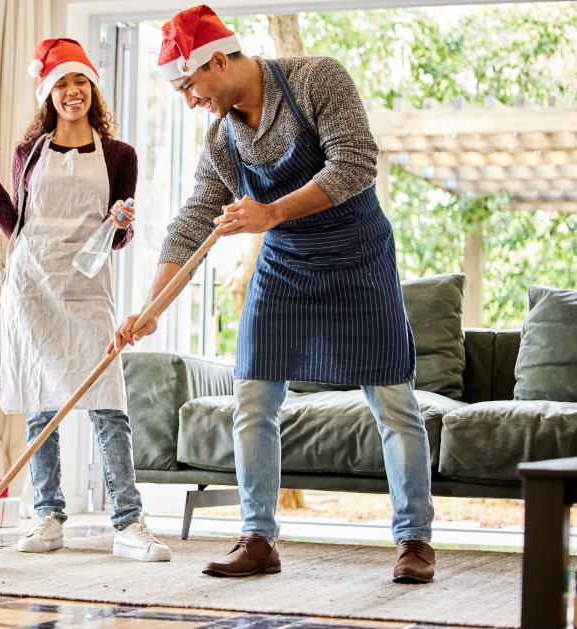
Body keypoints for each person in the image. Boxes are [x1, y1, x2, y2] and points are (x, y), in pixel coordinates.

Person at [111, 5, 435, 582]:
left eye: (191, 86)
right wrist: (151, 307)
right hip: (285, 266)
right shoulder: (221, 138)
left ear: (217, 61)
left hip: (357, 258)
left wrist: (271, 213)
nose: (190, 101)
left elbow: (356, 163)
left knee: (393, 402)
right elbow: (194, 220)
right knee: (254, 400)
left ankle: (414, 540)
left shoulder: (317, 78)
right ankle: (257, 537)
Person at [0, 37, 170, 562]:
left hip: (87, 288)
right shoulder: (26, 154)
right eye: (61, 83)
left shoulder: (119, 156)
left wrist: (122, 224)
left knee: (107, 403)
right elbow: (19, 228)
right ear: (48, 94)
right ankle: (48, 515)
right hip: (33, 285)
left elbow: (118, 236)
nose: (72, 91)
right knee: (42, 402)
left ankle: (128, 522)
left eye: (80, 80)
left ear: (92, 88)